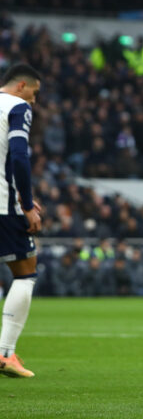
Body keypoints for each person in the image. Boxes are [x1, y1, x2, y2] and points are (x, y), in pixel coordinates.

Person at [0, 63, 42, 378]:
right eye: (34, 93)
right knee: (25, 271)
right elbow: (18, 156)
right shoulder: (17, 107)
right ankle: (5, 353)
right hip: (4, 205)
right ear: (21, 85)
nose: (34, 101)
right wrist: (26, 203)